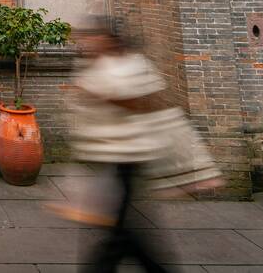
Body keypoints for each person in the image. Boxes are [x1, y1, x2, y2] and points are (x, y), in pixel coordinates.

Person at [50, 19, 221, 273]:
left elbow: (145, 104)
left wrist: (102, 95)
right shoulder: (95, 66)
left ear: (108, 39)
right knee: (120, 229)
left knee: (119, 231)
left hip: (128, 159)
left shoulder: (133, 65)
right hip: (107, 159)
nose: (85, 43)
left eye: (92, 38)